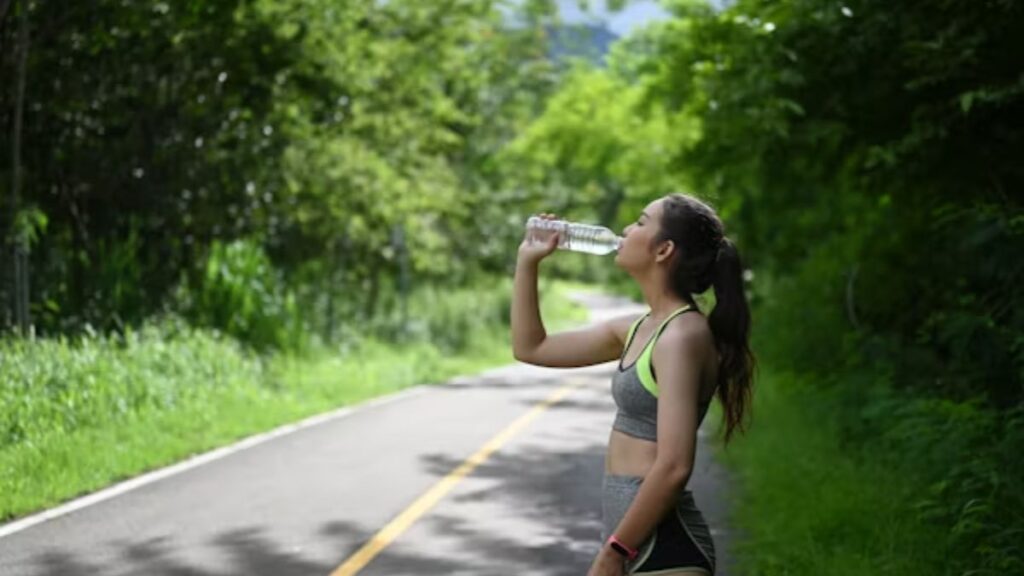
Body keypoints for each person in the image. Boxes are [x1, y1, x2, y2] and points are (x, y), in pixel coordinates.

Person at [511, 193, 755, 575]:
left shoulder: (681, 336)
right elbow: (532, 347)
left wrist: (615, 552)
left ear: (664, 250)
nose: (625, 229)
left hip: (664, 551)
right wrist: (528, 263)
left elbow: (674, 465)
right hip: (631, 543)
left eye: (641, 222)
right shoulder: (640, 328)